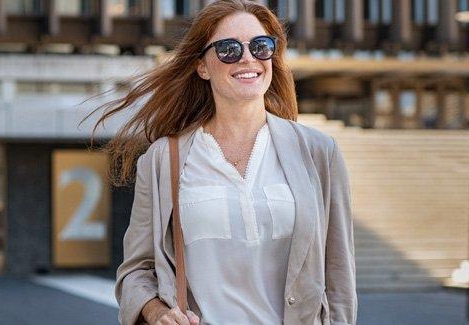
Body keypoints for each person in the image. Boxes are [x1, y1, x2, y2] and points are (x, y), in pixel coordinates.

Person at [90, 1, 357, 324]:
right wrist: (158, 313)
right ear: (202, 66)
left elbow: (339, 277)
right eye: (229, 49)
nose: (248, 58)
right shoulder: (163, 159)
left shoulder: (318, 152)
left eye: (261, 46)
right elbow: (136, 271)